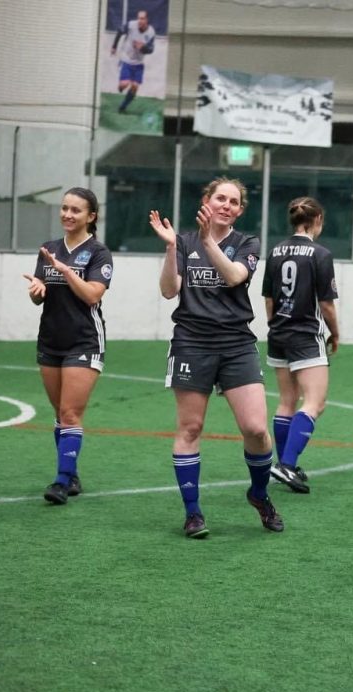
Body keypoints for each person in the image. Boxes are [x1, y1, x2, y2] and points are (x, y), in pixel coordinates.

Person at [149, 177, 283, 538]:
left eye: (234, 201)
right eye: (220, 198)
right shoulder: (184, 242)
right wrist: (170, 247)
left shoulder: (246, 243)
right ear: (206, 201)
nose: (226, 205)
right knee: (190, 428)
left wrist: (208, 240)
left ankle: (258, 493)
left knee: (256, 429)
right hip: (191, 343)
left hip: (237, 343)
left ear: (240, 210)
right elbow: (168, 290)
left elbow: (235, 277)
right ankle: (193, 513)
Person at [23, 188, 113, 505]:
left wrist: (64, 271)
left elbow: (92, 295)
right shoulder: (48, 249)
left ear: (91, 216)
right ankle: (71, 473)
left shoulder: (99, 253)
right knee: (60, 414)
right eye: (64, 208)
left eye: (76, 210)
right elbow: (39, 295)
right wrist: (36, 289)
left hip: (84, 340)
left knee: (71, 412)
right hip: (50, 339)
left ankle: (61, 481)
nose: (67, 214)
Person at [262, 197, 340, 495]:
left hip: (278, 333)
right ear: (317, 218)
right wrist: (335, 333)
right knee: (314, 402)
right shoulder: (320, 254)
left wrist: (276, 326)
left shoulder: (276, 251)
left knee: (286, 401)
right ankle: (287, 464)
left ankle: (283, 465)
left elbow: (268, 299)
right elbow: (327, 304)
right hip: (306, 334)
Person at [110, 9, 156, 113]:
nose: (140, 20)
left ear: (146, 20)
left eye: (142, 18)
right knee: (125, 84)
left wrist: (142, 47)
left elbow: (151, 50)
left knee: (135, 87)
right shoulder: (131, 25)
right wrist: (114, 47)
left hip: (139, 63)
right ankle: (121, 86)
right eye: (139, 18)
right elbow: (119, 31)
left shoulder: (151, 32)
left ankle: (123, 106)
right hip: (127, 60)